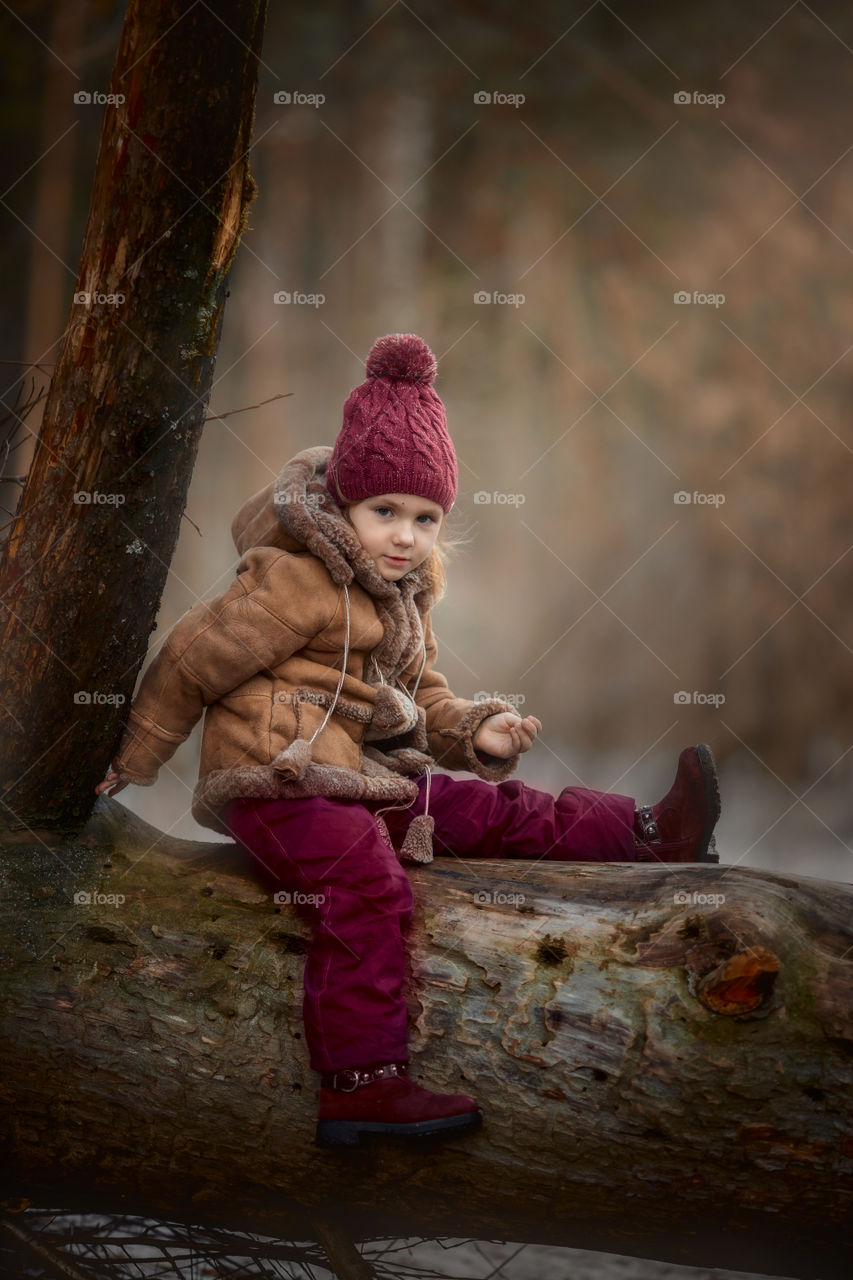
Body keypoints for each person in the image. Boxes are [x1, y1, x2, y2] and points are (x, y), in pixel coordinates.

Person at [96, 333, 721, 1148]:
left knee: (485, 807)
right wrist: (129, 761)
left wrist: (477, 731)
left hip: (357, 774)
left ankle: (645, 836)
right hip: (278, 780)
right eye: (384, 511)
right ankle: (360, 1086)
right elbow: (189, 659)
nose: (405, 535)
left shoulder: (402, 597)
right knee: (367, 888)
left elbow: (420, 696)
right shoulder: (295, 580)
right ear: (343, 506)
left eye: (425, 518)